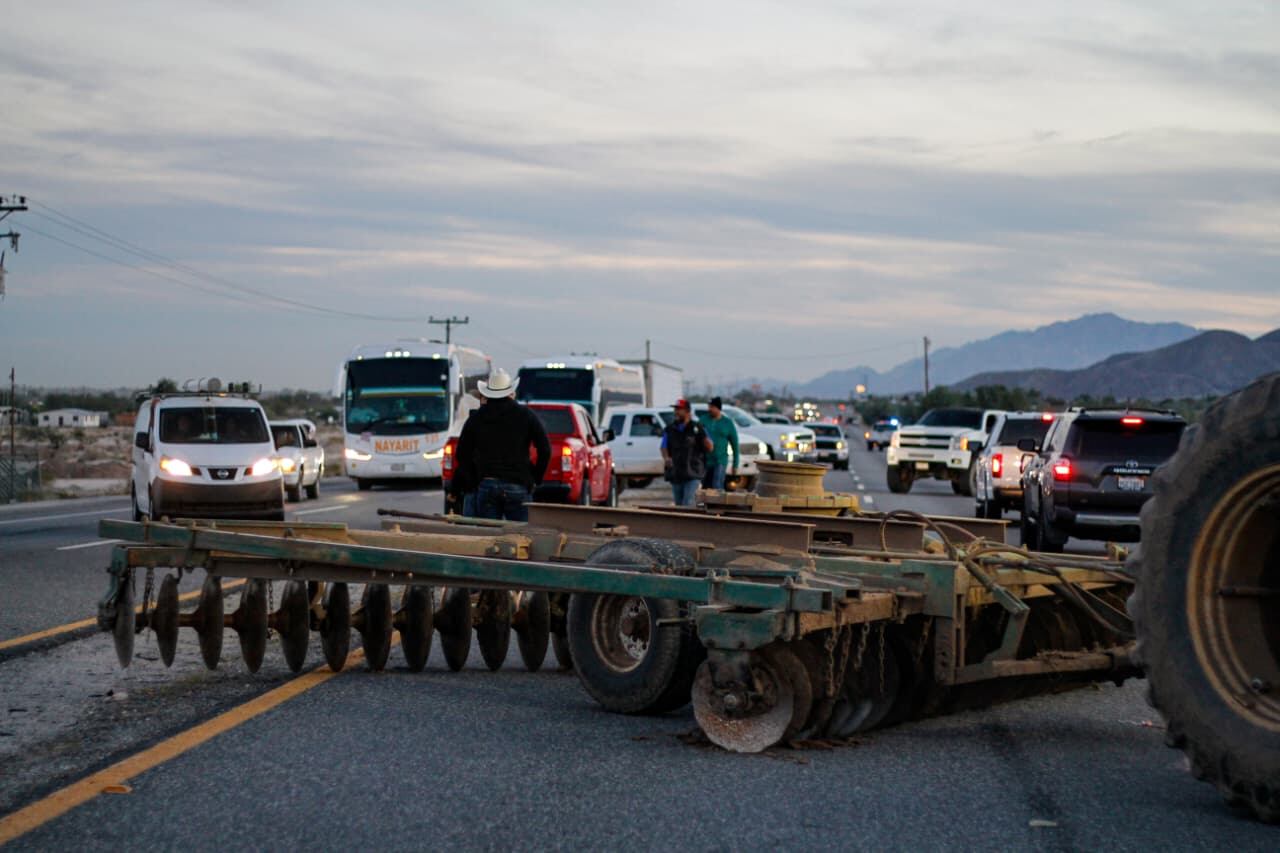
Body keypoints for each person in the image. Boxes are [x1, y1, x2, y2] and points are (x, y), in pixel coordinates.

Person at [454, 367, 551, 522]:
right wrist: (535, 477)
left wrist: (473, 479)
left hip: (487, 484)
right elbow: (545, 449)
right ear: (510, 391)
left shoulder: (477, 418)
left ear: (488, 392)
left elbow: (462, 453)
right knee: (521, 535)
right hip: (518, 484)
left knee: (489, 536)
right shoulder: (526, 415)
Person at [660, 398, 712, 506]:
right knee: (679, 505)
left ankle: (690, 522)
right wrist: (666, 458)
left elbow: (710, 447)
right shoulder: (670, 429)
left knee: (688, 503)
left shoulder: (697, 428)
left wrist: (705, 440)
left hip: (693, 472)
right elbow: (664, 446)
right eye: (675, 409)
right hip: (676, 472)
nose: (676, 412)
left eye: (679, 409)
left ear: (687, 411)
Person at [699, 396, 739, 492]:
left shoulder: (727, 423)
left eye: (712, 407)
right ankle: (704, 506)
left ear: (718, 408)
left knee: (717, 486)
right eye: (709, 406)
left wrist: (735, 464)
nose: (710, 409)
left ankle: (716, 506)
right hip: (705, 460)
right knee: (704, 486)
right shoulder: (703, 420)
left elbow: (735, 445)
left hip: (720, 460)